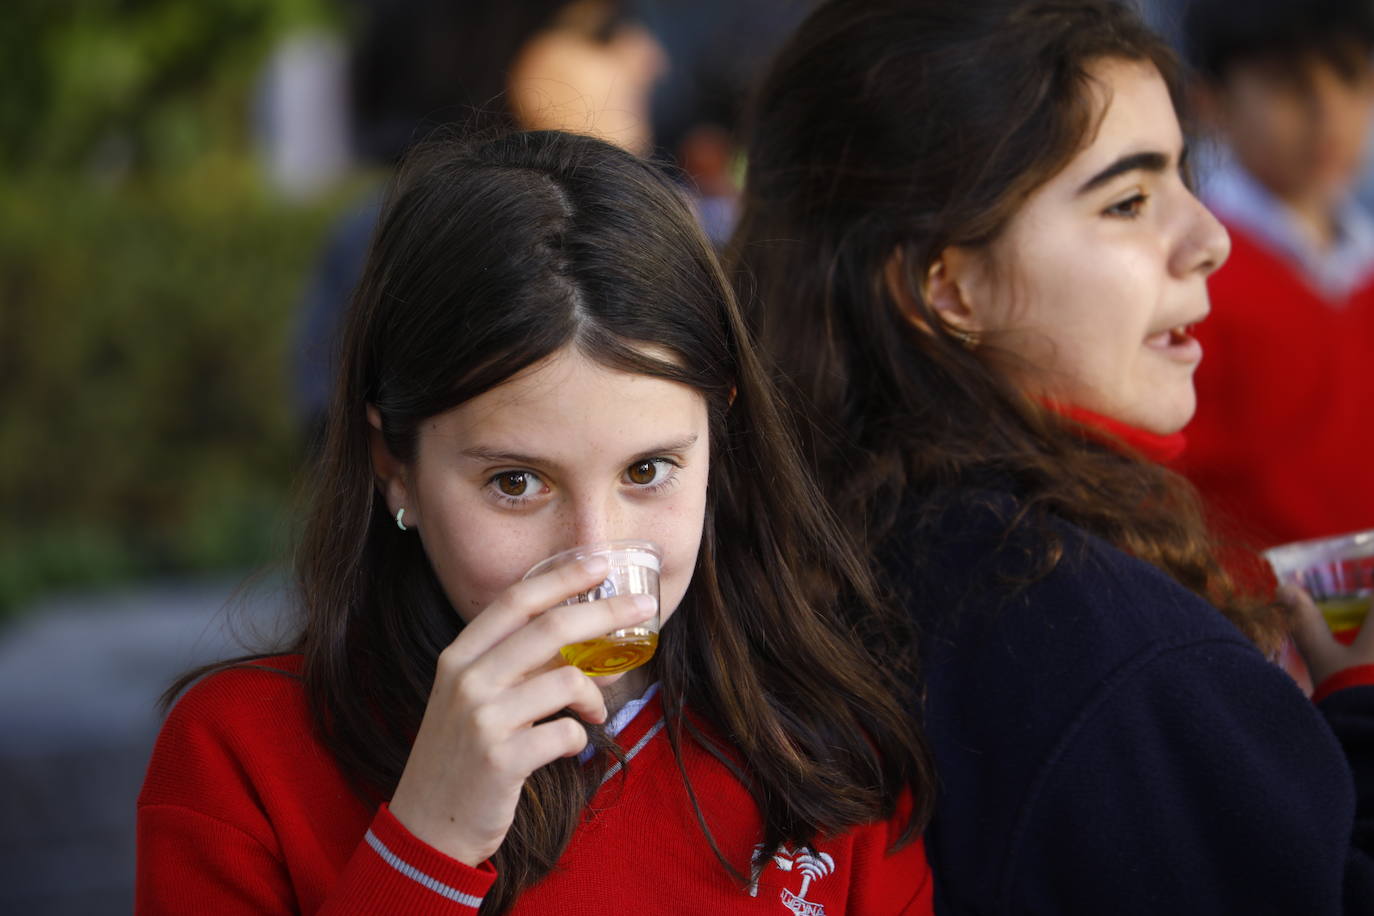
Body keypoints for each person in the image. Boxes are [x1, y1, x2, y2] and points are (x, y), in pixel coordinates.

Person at [136, 130, 936, 914]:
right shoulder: (242, 757)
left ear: (718, 440)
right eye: (516, 483)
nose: (592, 553)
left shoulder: (826, 753)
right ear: (394, 463)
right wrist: (425, 846)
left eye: (647, 471)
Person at [728, 0, 1374, 912]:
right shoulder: (1111, 655)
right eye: (1129, 200)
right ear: (945, 285)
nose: (1211, 240)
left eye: (1187, 178)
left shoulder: (787, 525)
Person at [294, 0, 668, 447]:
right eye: (605, 34)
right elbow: (335, 434)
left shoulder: (680, 226)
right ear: (528, 61)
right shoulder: (395, 239)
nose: (648, 57)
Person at [1173, 0, 1374, 547]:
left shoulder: (1365, 270)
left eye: (1350, 78)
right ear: (1210, 101)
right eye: (1288, 85)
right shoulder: (1189, 280)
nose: (1326, 113)